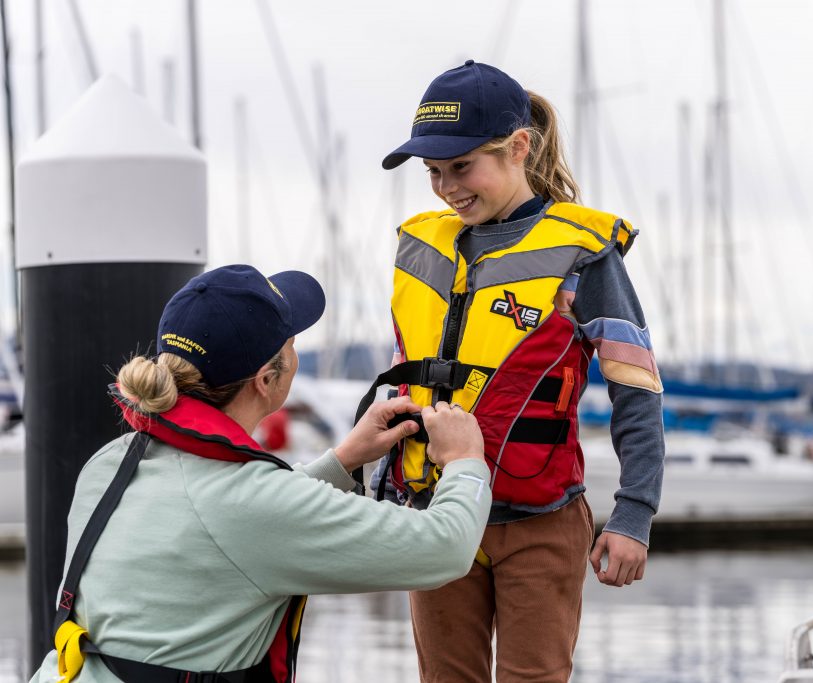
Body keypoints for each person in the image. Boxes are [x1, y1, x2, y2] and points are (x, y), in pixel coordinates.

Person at [31, 264, 491, 683]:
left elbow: (223, 526)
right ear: (267, 380)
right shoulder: (252, 502)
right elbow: (445, 548)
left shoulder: (112, 460)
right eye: (291, 343)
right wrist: (465, 460)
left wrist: (343, 459)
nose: (295, 351)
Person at [367, 60, 666, 682]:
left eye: (462, 167)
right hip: (438, 516)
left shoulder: (584, 256)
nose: (447, 187)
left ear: (519, 148)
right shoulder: (424, 249)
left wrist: (633, 512)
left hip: (541, 519)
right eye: (433, 172)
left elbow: (635, 389)